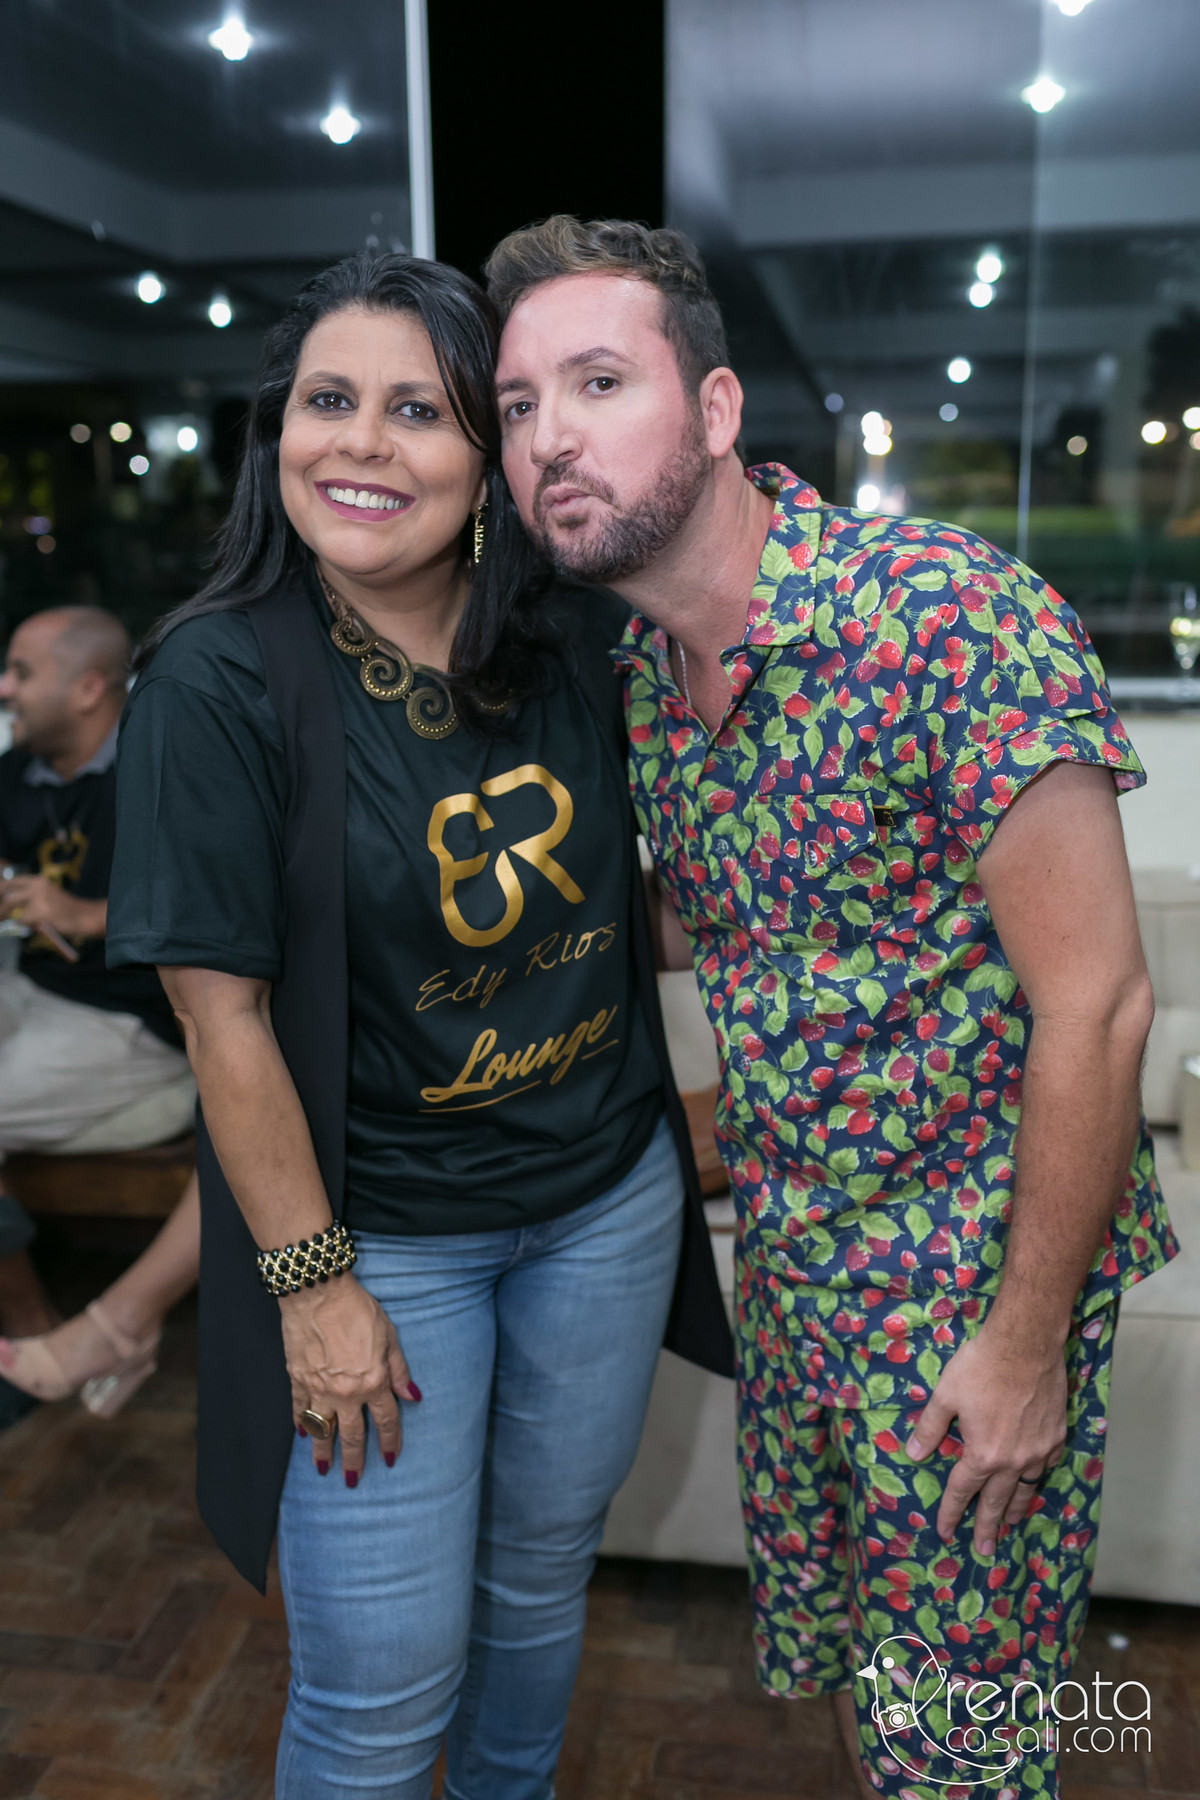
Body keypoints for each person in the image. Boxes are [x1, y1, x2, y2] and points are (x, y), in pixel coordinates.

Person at [488, 215, 1176, 1799]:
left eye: (598, 382)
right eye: (519, 406)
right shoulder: (650, 678)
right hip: (797, 1275)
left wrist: (1022, 1348)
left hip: (968, 1291)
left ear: (717, 407)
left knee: (960, 1756)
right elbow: (734, 912)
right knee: (872, 1703)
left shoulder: (944, 614)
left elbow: (1099, 1007)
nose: (549, 439)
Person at [100, 251, 731, 1799]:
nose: (363, 445)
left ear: (489, 456)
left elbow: (624, 907)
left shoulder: (573, 634)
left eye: (420, 411)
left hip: (603, 1208)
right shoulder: (215, 680)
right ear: (279, 430)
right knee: (379, 1694)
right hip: (383, 1241)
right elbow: (221, 1020)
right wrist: (314, 1289)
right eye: (330, 401)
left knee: (539, 1587)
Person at [0, 606, 193, 1374]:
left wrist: (83, 914)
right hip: (34, 991)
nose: (4, 688)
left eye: (21, 672)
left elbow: (216, 905)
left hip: (134, 1021)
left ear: (88, 688)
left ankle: (31, 1330)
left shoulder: (164, 767)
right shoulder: (16, 772)